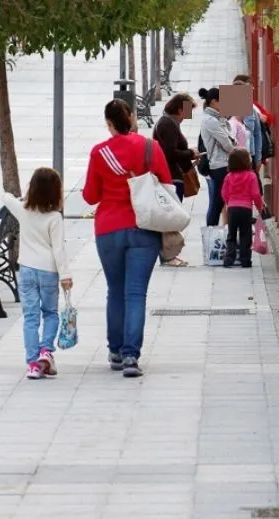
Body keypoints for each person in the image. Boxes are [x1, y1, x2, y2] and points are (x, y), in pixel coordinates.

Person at [83, 99, 172, 378]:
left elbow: (90, 196)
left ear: (109, 124)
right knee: (136, 293)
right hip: (144, 228)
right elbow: (167, 184)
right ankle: (131, 356)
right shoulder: (150, 147)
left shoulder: (100, 152)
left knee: (115, 290)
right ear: (132, 118)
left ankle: (115, 351)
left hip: (108, 229)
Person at [2, 168, 73, 380]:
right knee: (50, 313)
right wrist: (65, 276)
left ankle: (33, 363)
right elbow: (59, 249)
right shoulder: (55, 218)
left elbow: (5, 197)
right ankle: (46, 350)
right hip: (49, 271)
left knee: (31, 317)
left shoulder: (23, 209)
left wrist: (22, 197)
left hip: (26, 270)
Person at [153, 93, 199, 267]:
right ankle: (168, 254)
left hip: (171, 175)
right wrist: (190, 153)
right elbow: (170, 153)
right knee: (171, 216)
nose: (189, 115)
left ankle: (168, 253)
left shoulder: (168, 123)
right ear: (180, 108)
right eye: (188, 110)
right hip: (171, 177)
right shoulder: (168, 125)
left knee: (172, 214)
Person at [198, 87, 236, 226]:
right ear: (214, 102)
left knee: (219, 202)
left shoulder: (217, 118)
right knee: (217, 203)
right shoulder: (211, 120)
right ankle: (211, 235)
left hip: (223, 163)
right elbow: (227, 142)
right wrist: (233, 147)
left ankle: (212, 234)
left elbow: (230, 139)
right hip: (218, 165)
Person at [221, 148, 265, 268]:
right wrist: (260, 207)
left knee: (232, 234)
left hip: (232, 208)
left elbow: (224, 193)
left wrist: (229, 203)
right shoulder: (251, 176)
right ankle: (245, 260)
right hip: (246, 209)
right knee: (245, 234)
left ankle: (229, 257)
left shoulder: (229, 176)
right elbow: (256, 194)